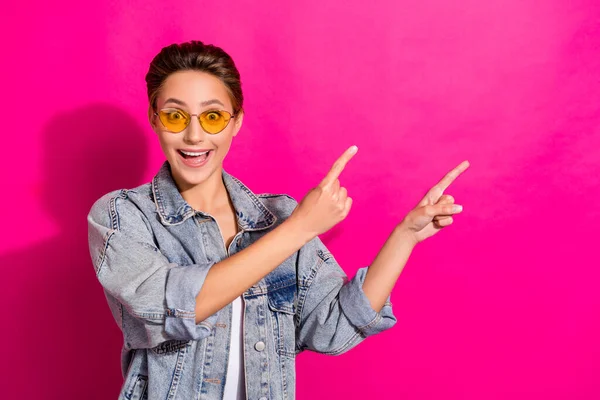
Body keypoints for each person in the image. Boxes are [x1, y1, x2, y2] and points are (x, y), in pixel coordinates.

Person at [87, 40, 469, 400]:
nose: (194, 134)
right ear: (155, 119)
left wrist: (404, 237)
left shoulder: (278, 216)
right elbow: (170, 309)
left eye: (213, 116)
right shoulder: (123, 215)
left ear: (236, 122)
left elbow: (336, 327)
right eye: (175, 115)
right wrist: (299, 229)